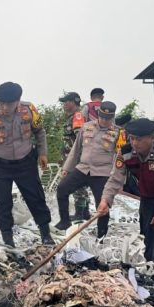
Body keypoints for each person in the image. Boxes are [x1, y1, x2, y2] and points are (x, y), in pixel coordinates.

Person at [0, 81, 54, 247]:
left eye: (8, 103)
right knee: (2, 202)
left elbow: (40, 131)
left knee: (36, 197)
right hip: (0, 165)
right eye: (1, 103)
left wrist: (43, 153)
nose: (4, 107)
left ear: (18, 101)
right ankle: (8, 240)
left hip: (26, 162)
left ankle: (45, 234)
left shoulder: (29, 110)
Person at [97, 118, 154, 274]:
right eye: (132, 138)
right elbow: (115, 178)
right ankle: (150, 264)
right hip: (147, 194)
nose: (135, 143)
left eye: (139, 139)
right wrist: (105, 200)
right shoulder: (125, 152)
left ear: (152, 138)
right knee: (148, 229)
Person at [56, 101, 125, 238]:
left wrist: (117, 178)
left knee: (103, 204)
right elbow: (76, 149)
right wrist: (67, 168)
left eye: (108, 118)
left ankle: (101, 234)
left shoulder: (118, 132)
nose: (105, 121)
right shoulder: (86, 127)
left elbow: (120, 156)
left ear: (112, 117)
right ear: (98, 115)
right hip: (83, 168)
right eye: (102, 117)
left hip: (103, 172)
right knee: (62, 189)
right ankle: (64, 221)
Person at [58, 91, 90, 221]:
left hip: (76, 159)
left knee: (78, 186)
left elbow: (80, 139)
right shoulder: (72, 117)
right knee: (79, 186)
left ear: (73, 102)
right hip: (70, 159)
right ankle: (84, 212)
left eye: (66, 101)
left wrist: (78, 159)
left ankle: (80, 213)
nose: (64, 104)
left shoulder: (77, 117)